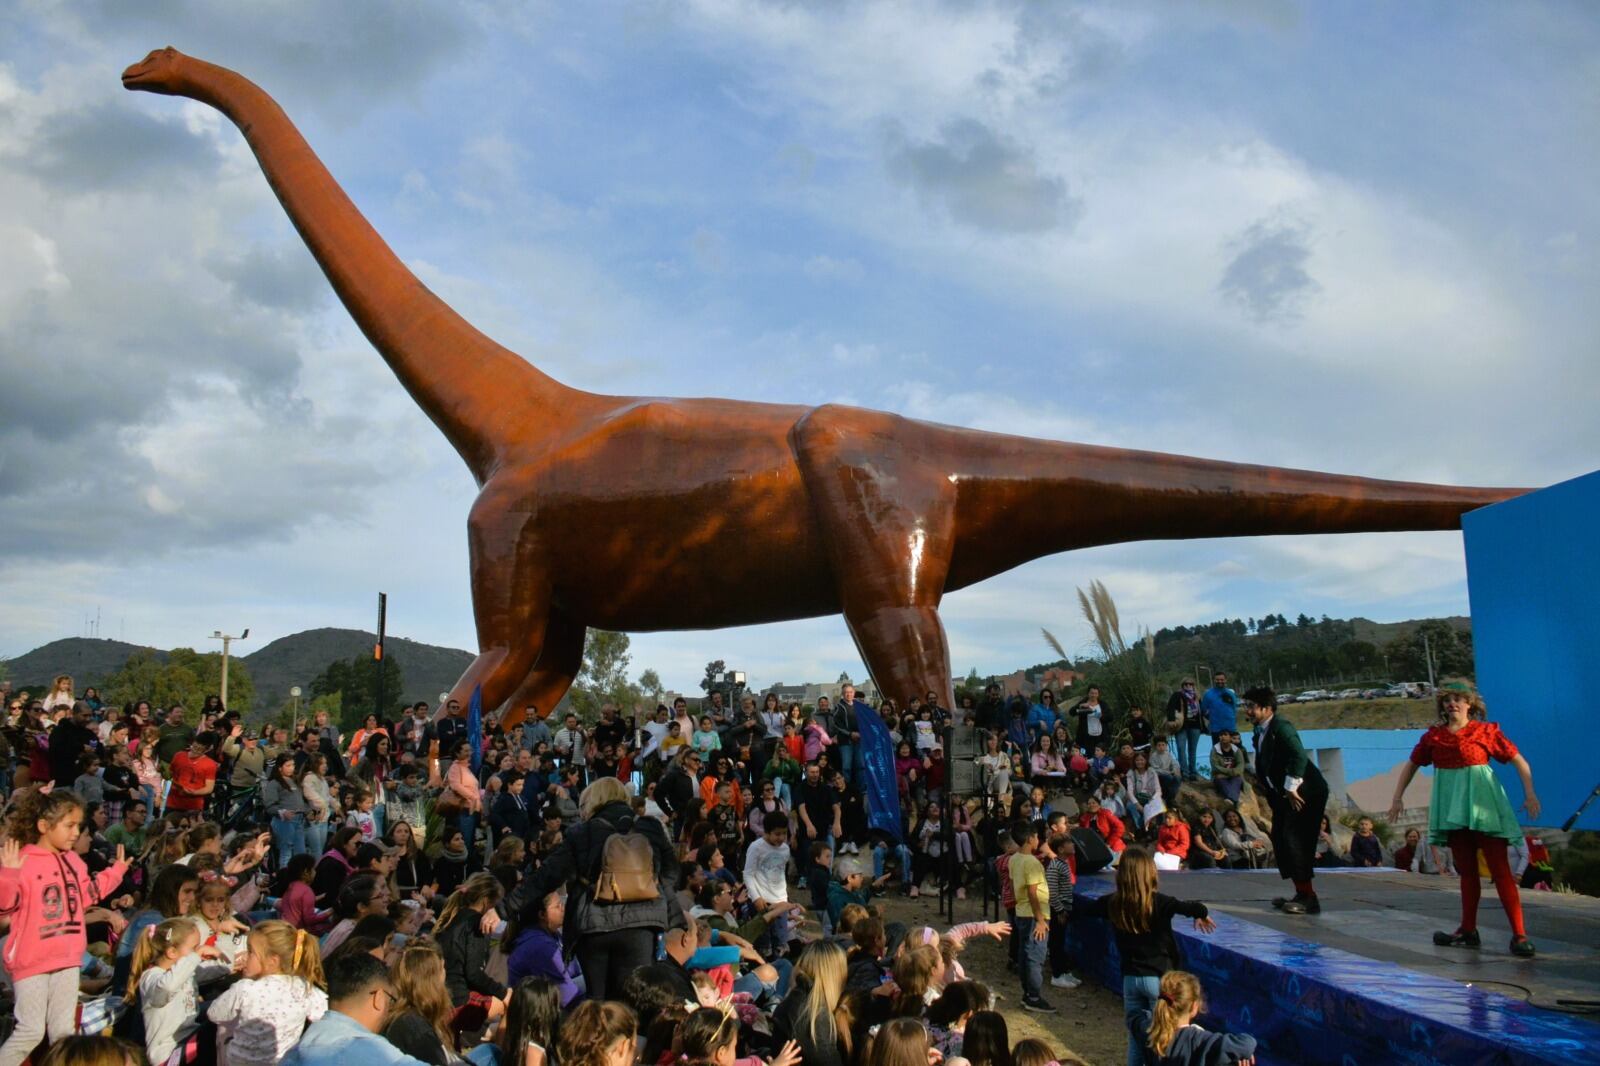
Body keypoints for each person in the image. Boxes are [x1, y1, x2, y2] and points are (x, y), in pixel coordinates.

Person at [1388, 682, 1542, 957]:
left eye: (1458, 699)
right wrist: (1397, 797)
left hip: (1483, 808)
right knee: (1467, 872)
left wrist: (1529, 793)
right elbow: (1412, 764)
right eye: (1447, 700)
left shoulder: (1484, 731)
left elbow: (1519, 760)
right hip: (1454, 810)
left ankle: (1519, 934)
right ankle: (1468, 930)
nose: (1452, 704)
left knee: (1501, 871)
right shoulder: (1434, 737)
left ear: (1470, 704)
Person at [510, 777, 679, 1001]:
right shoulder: (649, 827)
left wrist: (504, 908)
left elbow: (547, 876)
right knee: (635, 997)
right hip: (642, 924)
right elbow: (672, 872)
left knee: (598, 999)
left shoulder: (582, 833)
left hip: (593, 924)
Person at [0, 788, 131, 1066]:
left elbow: (85, 896)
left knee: (63, 1033)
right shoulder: (21, 859)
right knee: (30, 1031)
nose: (76, 832)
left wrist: (116, 872)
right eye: (69, 825)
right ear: (44, 826)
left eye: (78, 826)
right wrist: (8, 875)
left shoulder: (73, 860)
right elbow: (5, 906)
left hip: (68, 958)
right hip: (33, 959)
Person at [1075, 847, 1216, 1066]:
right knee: (1160, 1037)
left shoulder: (1113, 902)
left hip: (1130, 978)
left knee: (1135, 1037)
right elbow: (1194, 906)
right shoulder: (1160, 902)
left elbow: (1087, 909)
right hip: (1158, 979)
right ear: (1150, 873)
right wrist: (1201, 915)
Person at [1244, 686, 1328, 915]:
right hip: (1284, 795)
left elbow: (1298, 755)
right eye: (1247, 706)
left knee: (1295, 840)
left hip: (1304, 793)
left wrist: (1291, 787)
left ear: (1267, 708)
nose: (1248, 711)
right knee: (1281, 839)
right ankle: (1301, 892)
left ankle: (1309, 898)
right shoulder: (1261, 732)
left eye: (1251, 706)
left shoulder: (1281, 727)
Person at [207, 921, 329, 1065]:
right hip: (281, 1062)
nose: (245, 956)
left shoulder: (245, 989)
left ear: (272, 961)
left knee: (223, 1029)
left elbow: (214, 1014)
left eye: (251, 952)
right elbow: (324, 1016)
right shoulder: (304, 989)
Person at [281, 952, 433, 1065]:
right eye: (391, 1000)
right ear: (378, 998)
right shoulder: (367, 1049)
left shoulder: (296, 1051)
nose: (390, 1009)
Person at [128, 916, 217, 1065]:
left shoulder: (184, 971)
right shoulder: (151, 977)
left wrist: (225, 936)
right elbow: (166, 988)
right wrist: (195, 957)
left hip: (188, 1038)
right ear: (172, 952)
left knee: (222, 1011)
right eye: (194, 947)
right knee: (213, 1028)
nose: (198, 951)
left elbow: (218, 970)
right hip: (168, 1055)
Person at [1139, 970, 1257, 1066]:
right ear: (1194, 1006)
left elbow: (1135, 1016)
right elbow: (1247, 1044)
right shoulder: (1199, 1039)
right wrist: (1241, 1054)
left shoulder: (1148, 1031)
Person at [380, 943, 460, 1065]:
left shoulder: (401, 1013)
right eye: (442, 968)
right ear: (432, 980)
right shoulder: (418, 1031)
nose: (445, 975)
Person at [1005, 822, 1055, 1014]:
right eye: (1035, 837)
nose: (1038, 840)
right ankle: (1033, 996)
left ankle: (1028, 993)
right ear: (1029, 839)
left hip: (1021, 912)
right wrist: (1041, 920)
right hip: (1034, 915)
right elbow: (1033, 893)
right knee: (1035, 956)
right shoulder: (1032, 863)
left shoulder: (1014, 859)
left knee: (1025, 953)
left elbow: (1011, 883)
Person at [1165, 680, 1206, 781]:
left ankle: (1193, 772)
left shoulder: (1197, 697)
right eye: (1185, 684)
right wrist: (1171, 720)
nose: (1188, 686)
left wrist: (1204, 725)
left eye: (1190, 684)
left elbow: (1201, 711)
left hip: (1195, 725)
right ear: (1182, 685)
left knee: (1192, 749)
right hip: (1181, 726)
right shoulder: (1177, 695)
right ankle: (1184, 772)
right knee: (1180, 748)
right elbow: (1170, 707)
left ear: (1193, 685)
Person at [1201, 672, 1238, 745]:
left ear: (1225, 680)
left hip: (1230, 727)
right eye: (1217, 680)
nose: (1220, 681)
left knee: (1233, 752)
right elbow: (1203, 710)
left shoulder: (1231, 693)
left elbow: (1234, 709)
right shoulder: (1208, 694)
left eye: (1222, 679)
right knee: (1217, 752)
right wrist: (1212, 718)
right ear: (1214, 680)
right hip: (1216, 729)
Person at [1208, 733, 1246, 804]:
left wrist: (1229, 774)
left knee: (1237, 779)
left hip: (1233, 775)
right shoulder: (1214, 750)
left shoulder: (1237, 750)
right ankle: (1235, 799)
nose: (1222, 736)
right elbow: (1215, 766)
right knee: (1220, 780)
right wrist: (1231, 772)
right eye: (1221, 735)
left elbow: (1241, 765)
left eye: (1225, 735)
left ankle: (1231, 799)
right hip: (1220, 776)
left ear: (1230, 738)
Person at [1071, 686, 1108, 755]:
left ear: (1098, 694)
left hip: (1100, 737)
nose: (1093, 695)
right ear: (1088, 693)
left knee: (1100, 757)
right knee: (1085, 756)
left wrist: (1101, 716)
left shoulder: (1103, 704)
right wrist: (1079, 706)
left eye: (1095, 693)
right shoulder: (1083, 703)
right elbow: (1072, 712)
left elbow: (1110, 717)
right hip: (1085, 737)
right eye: (1092, 693)